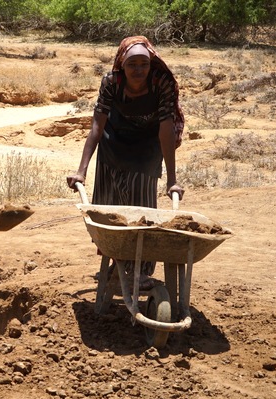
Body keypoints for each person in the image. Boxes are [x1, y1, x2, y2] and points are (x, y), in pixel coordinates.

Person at [66, 36, 185, 289]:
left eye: (144, 64)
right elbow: (98, 125)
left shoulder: (160, 83)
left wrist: (172, 180)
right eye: (132, 64)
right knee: (110, 207)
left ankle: (140, 270)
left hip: (147, 146)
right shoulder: (111, 82)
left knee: (141, 207)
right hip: (114, 142)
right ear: (122, 64)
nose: (138, 70)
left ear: (151, 65)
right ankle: (118, 263)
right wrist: (81, 171)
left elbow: (165, 128)